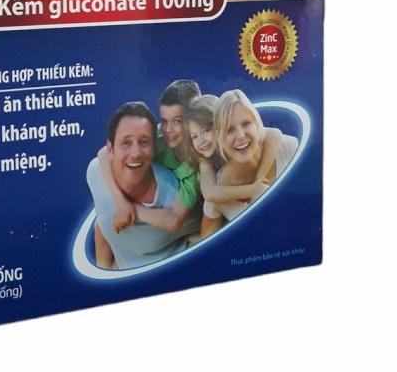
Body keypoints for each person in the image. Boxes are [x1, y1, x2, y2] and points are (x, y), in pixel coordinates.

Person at [87, 102, 201, 269]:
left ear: (153, 148)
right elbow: (102, 223)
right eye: (126, 143)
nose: (135, 153)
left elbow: (180, 220)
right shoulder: (96, 172)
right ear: (111, 149)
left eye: (143, 142)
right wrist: (104, 275)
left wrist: (132, 210)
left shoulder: (174, 198)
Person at [96, 80, 201, 235]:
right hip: (155, 195)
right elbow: (104, 153)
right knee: (100, 226)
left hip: (189, 212)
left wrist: (132, 209)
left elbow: (174, 219)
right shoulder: (158, 137)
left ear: (194, 119)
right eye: (164, 121)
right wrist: (121, 203)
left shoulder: (198, 164)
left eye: (177, 121)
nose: (168, 129)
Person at [183, 94, 287, 237]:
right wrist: (252, 190)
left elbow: (274, 134)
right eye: (194, 136)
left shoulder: (246, 145)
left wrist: (260, 178)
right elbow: (210, 193)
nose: (201, 141)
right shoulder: (205, 160)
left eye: (205, 131)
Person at [211, 89, 299, 221]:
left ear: (257, 124)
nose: (241, 135)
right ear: (219, 137)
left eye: (246, 123)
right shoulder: (219, 190)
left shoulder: (289, 149)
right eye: (230, 130)